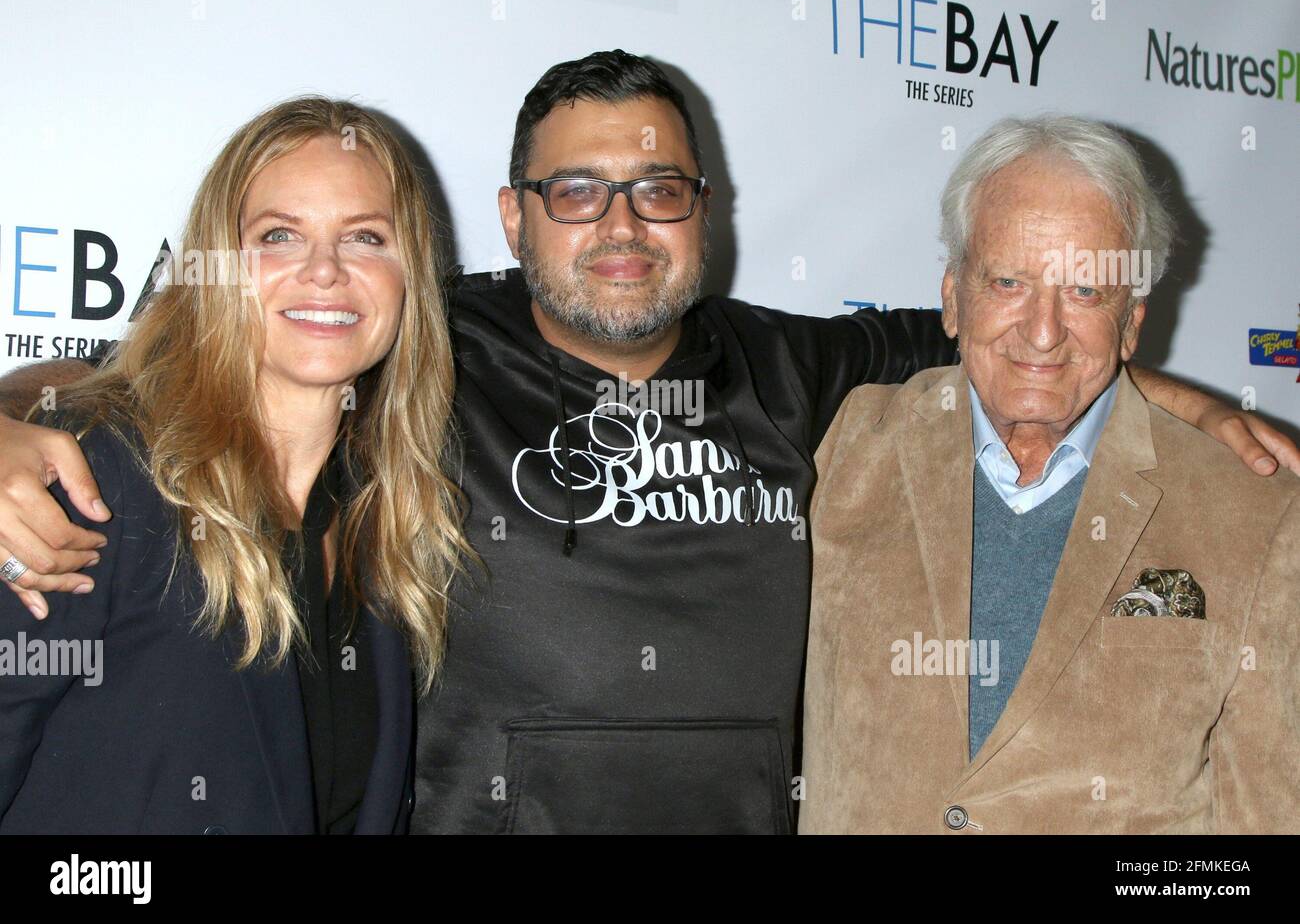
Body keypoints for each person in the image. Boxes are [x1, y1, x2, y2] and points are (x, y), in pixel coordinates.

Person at [1, 53, 1295, 834]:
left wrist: (1186, 405)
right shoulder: (423, 337)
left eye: (659, 189)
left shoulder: (798, 365)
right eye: (577, 192)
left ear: (704, 214)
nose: (621, 223)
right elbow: (218, 343)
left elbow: (1017, 333)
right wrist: (16, 420)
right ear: (514, 216)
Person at [799, 115, 1299, 834]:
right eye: (1008, 280)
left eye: (1087, 292)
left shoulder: (1256, 515)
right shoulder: (846, 447)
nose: (1042, 329)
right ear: (951, 297)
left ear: (1132, 323)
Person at [0, 97, 469, 833]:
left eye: (366, 237)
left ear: (410, 273)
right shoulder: (100, 477)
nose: (324, 271)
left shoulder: (384, 515)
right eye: (279, 235)